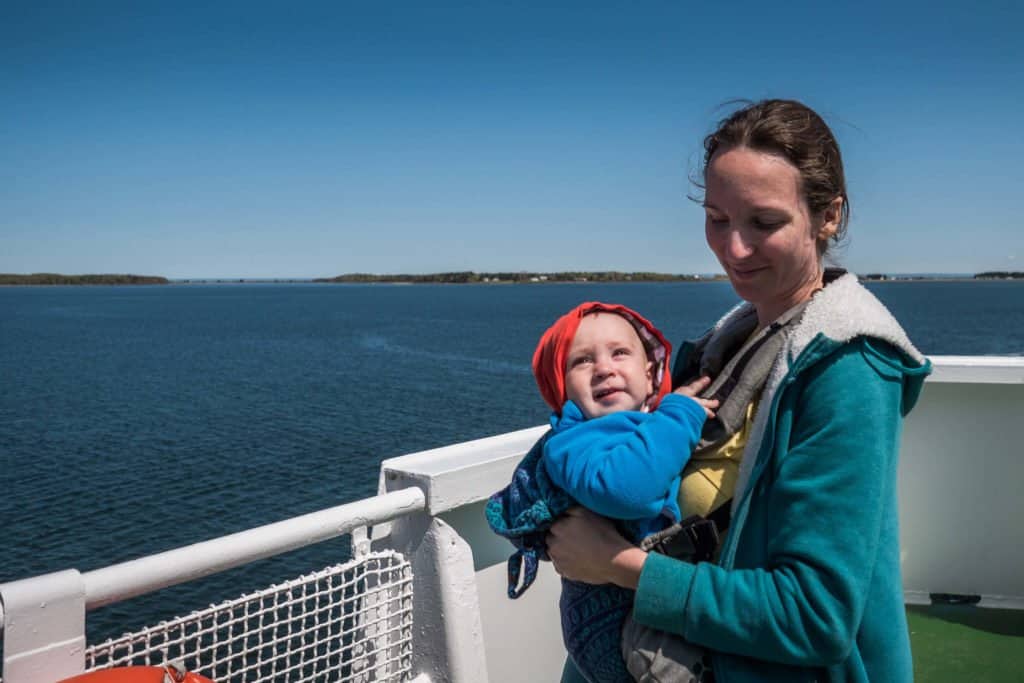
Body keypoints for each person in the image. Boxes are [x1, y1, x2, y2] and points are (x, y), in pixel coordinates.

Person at [547, 99, 932, 683]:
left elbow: (814, 616)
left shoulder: (847, 369)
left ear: (827, 216)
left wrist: (617, 566)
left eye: (764, 222)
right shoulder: (733, 344)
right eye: (717, 219)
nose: (734, 249)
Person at [486, 301, 717, 683]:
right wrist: (681, 414)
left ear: (651, 373)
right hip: (614, 626)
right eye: (581, 361)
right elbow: (627, 490)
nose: (604, 368)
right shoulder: (570, 442)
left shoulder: (638, 425)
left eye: (620, 352)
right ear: (562, 389)